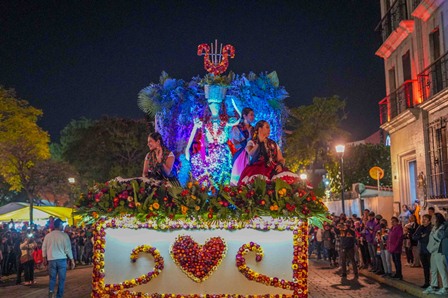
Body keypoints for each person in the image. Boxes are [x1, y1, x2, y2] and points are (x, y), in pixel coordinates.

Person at [238, 120, 299, 185]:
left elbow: (281, 159)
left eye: (269, 128)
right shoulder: (252, 142)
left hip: (274, 169)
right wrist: (259, 143)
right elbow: (252, 154)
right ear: (260, 129)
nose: (269, 129)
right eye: (267, 127)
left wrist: (280, 165)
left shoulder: (273, 143)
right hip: (257, 168)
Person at [42, 218, 75, 298]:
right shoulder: (64, 235)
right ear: (59, 225)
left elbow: (44, 248)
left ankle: (51, 293)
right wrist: (72, 260)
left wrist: (44, 258)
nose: (63, 226)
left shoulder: (48, 236)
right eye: (62, 225)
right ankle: (59, 296)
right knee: (61, 280)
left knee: (52, 279)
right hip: (61, 260)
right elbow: (68, 249)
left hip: (51, 260)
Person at [423, 213, 448, 295]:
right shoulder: (434, 227)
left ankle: (446, 287)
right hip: (433, 251)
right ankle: (434, 285)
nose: (432, 220)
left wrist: (432, 248)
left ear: (438, 219)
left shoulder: (442, 228)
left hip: (439, 251)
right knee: (433, 270)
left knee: (442, 270)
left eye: (433, 218)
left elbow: (440, 241)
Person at [229, 107, 254, 185]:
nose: (253, 117)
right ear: (244, 116)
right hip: (241, 154)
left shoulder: (253, 129)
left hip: (252, 154)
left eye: (253, 115)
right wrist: (248, 138)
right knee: (239, 175)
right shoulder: (237, 128)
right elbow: (236, 144)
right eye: (251, 115)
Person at [413, 214, 432, 289]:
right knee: (425, 268)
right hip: (422, 251)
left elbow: (427, 238)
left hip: (429, 251)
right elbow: (414, 236)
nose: (423, 220)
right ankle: (427, 282)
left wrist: (421, 237)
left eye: (425, 219)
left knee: (432, 269)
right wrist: (421, 236)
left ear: (429, 221)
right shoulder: (420, 227)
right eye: (423, 219)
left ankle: (434, 283)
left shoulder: (430, 228)